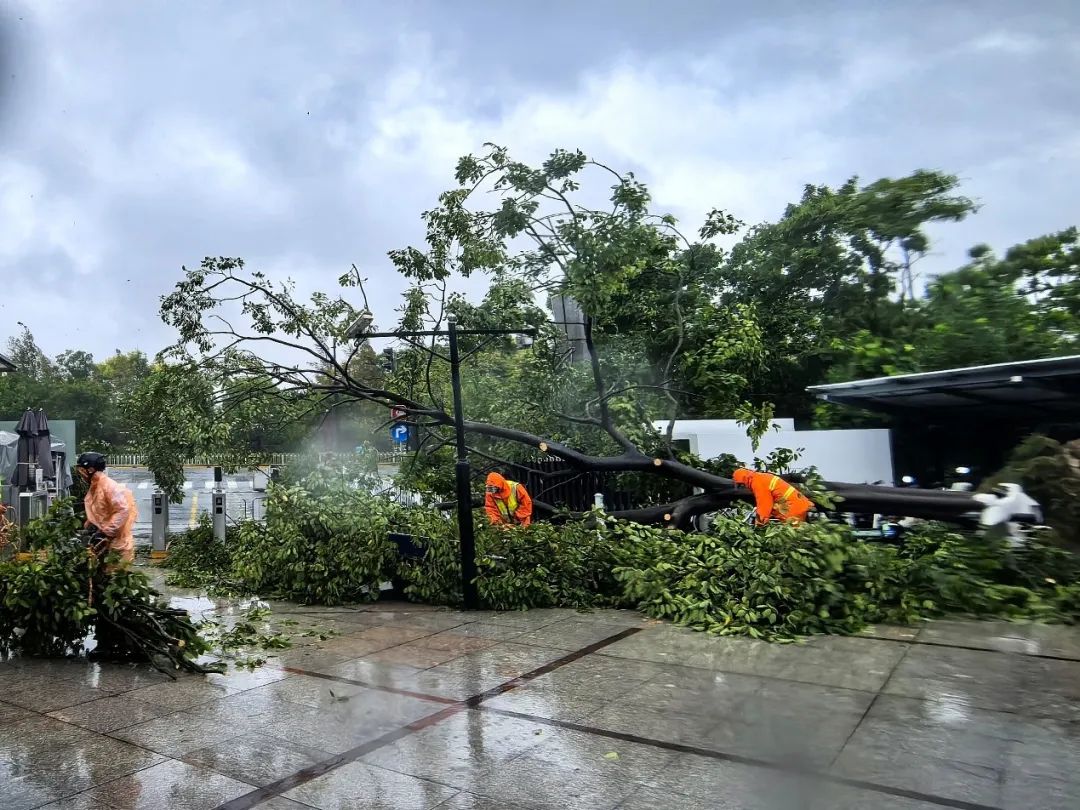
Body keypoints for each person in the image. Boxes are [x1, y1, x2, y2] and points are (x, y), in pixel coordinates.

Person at [76, 452, 137, 565]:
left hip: (118, 546)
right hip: (106, 544)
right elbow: (100, 511)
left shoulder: (108, 486)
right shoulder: (96, 486)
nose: (81, 475)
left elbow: (123, 510)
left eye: (82, 470)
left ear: (90, 470)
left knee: (113, 573)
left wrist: (106, 531)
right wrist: (89, 525)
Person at [732, 467, 813, 525]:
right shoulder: (760, 476)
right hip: (796, 504)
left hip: (792, 507)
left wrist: (759, 524)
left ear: (744, 480)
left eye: (741, 484)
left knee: (793, 538)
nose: (742, 487)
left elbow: (764, 505)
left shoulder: (757, 482)